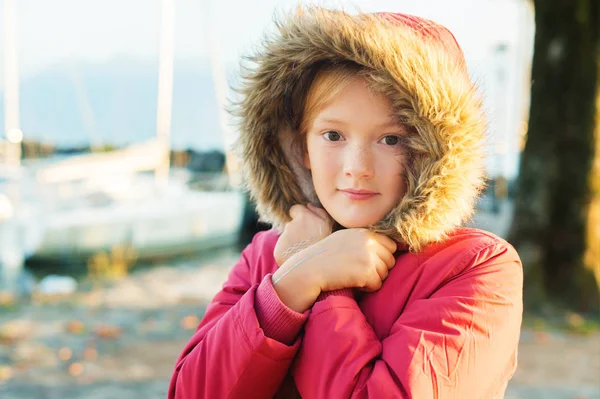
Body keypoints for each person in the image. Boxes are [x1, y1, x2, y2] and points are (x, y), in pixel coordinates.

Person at [168, 7, 523, 399]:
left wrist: (323, 284)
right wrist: (292, 282)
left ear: (434, 151)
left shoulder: (475, 268)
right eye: (333, 135)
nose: (357, 168)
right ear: (300, 146)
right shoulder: (267, 254)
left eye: (391, 139)